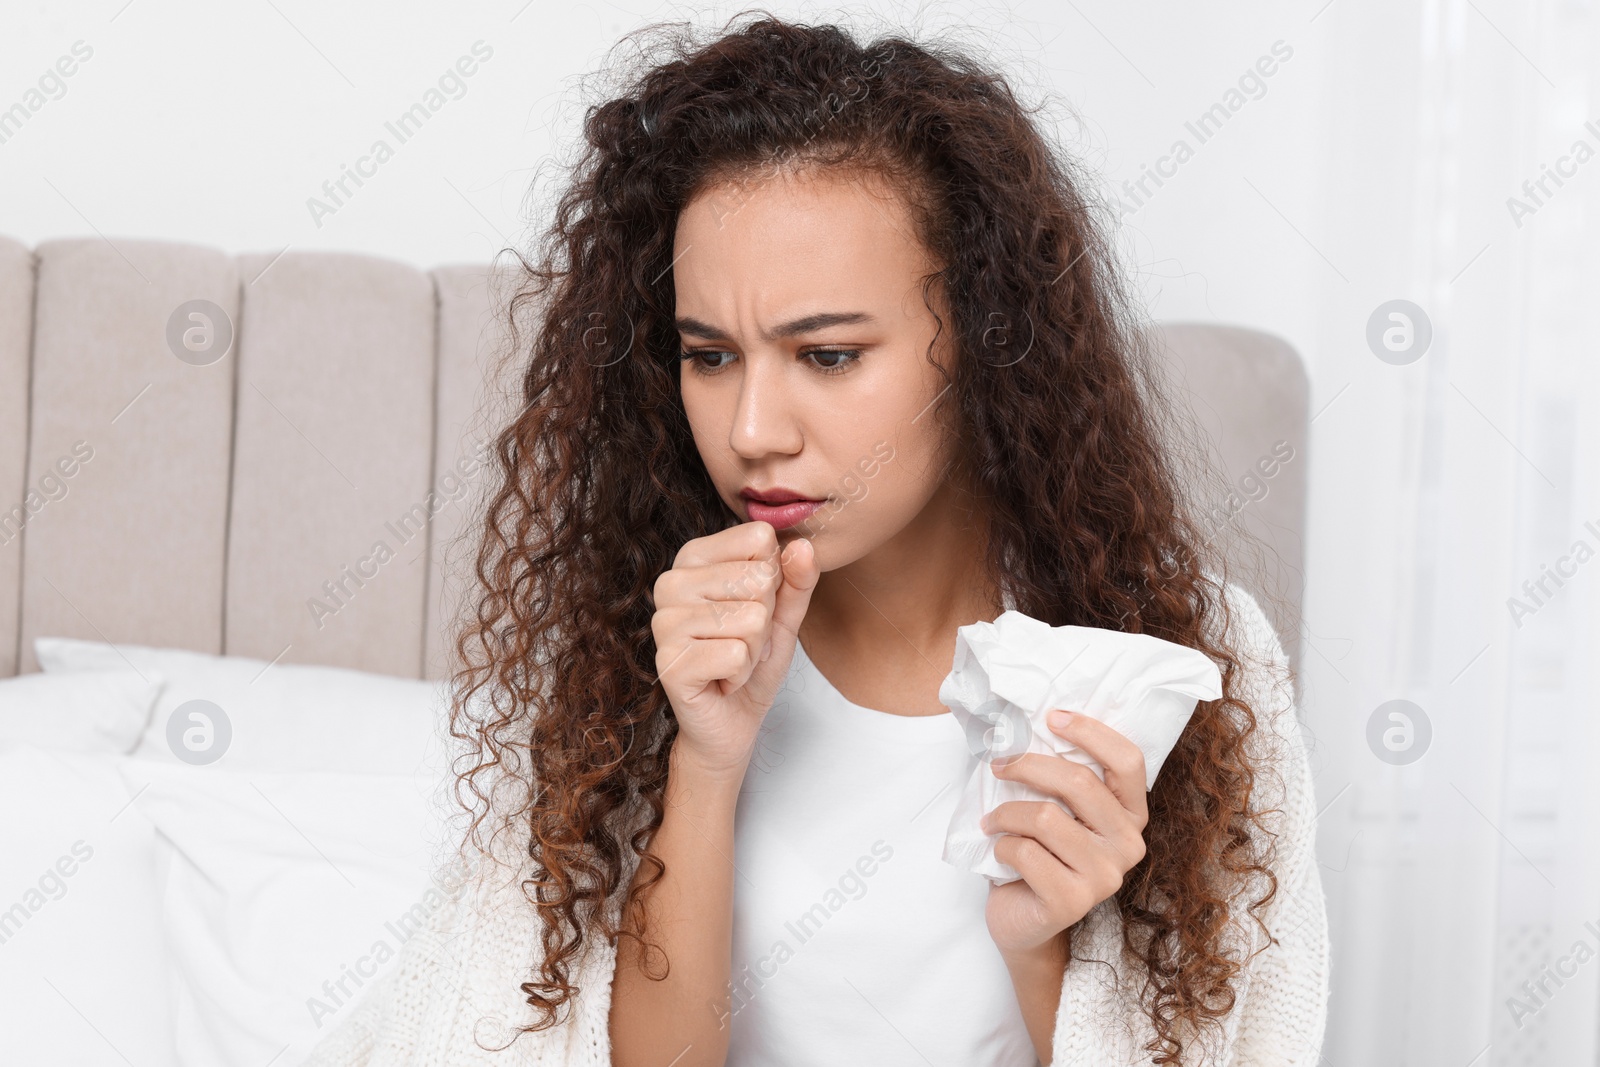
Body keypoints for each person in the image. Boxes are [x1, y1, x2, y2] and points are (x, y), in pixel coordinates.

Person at [302, 13, 1329, 1067]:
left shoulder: (1187, 662)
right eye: (709, 356)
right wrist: (705, 759)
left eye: (827, 356)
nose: (752, 432)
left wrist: (1042, 946)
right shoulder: (633, 651)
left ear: (980, 341)